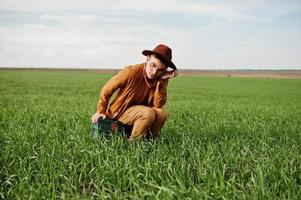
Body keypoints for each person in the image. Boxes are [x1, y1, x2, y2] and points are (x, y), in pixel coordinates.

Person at [91, 44, 178, 142]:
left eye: (160, 70)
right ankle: (134, 145)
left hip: (141, 113)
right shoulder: (131, 72)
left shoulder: (160, 78)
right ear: (147, 59)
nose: (154, 72)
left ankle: (149, 142)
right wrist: (100, 111)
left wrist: (161, 82)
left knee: (162, 113)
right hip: (121, 111)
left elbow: (158, 104)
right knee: (147, 113)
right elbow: (107, 89)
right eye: (152, 65)